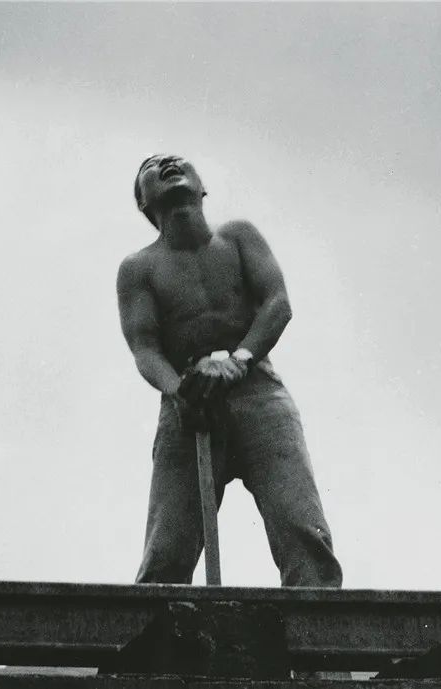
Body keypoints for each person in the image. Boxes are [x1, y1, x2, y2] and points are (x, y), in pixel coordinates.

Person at [116, 154, 342, 587]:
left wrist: (238, 362)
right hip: (188, 404)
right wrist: (179, 393)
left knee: (302, 529)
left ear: (202, 187)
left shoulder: (238, 237)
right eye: (151, 166)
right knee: (167, 550)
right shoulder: (139, 268)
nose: (167, 163)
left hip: (258, 391)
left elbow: (277, 303)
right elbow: (144, 347)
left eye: (176, 160)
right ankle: (164, 628)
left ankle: (315, 626)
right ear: (144, 203)